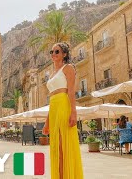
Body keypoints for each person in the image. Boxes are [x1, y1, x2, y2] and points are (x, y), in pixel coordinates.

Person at [42, 42, 83, 179]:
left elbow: (71, 91)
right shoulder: (53, 74)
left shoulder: (68, 68)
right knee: (55, 147)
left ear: (64, 54)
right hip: (54, 108)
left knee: (62, 146)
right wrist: (47, 122)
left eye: (57, 51)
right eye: (52, 52)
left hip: (64, 105)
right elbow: (51, 100)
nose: (53, 54)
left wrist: (73, 112)